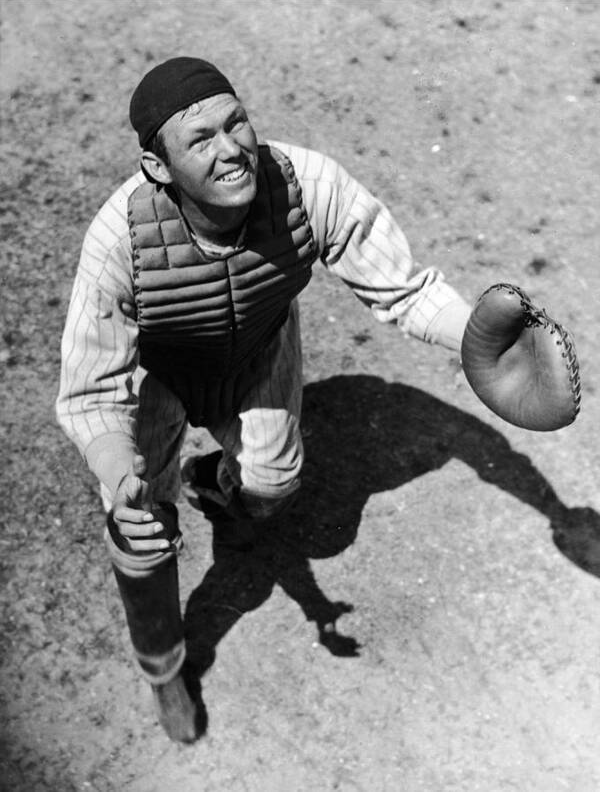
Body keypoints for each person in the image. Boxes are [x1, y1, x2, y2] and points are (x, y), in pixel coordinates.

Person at [56, 57, 473, 742]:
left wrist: (476, 337)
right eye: (201, 140)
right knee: (140, 531)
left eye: (236, 123)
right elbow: (90, 385)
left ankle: (214, 484)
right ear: (158, 167)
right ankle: (165, 670)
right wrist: (116, 470)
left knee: (273, 486)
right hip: (155, 378)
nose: (230, 150)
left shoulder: (303, 183)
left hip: (258, 350)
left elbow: (403, 286)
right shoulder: (118, 241)